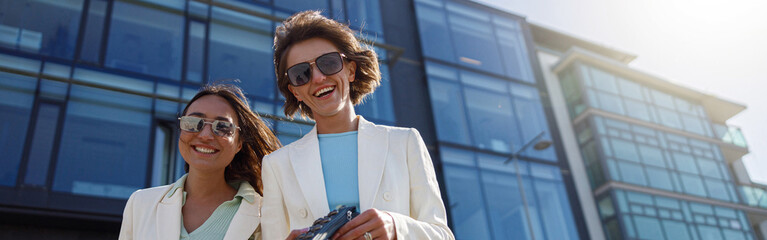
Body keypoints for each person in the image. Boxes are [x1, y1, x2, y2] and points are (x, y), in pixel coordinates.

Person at [262, 11, 454, 240]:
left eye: (329, 63)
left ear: (351, 70)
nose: (318, 78)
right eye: (301, 73)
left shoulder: (404, 142)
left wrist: (396, 227)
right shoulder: (277, 166)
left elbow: (442, 234)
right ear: (295, 90)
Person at [119, 83, 281, 240]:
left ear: (239, 143)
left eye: (222, 127)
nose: (205, 135)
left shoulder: (266, 213)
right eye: (193, 123)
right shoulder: (141, 204)